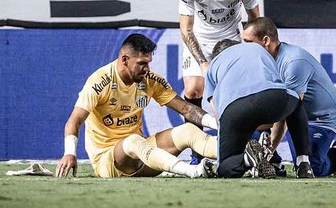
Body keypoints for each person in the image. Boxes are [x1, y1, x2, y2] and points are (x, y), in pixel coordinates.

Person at [55, 34, 218, 179]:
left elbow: (186, 109)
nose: (146, 69)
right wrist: (69, 153)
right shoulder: (99, 81)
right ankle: (193, 171)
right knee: (133, 141)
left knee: (188, 130)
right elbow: (74, 121)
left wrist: (218, 123)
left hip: (143, 156)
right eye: (141, 63)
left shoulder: (150, 79)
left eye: (148, 63)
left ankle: (240, 155)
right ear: (124, 59)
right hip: (109, 162)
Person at [178, 0, 260, 163]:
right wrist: (203, 63)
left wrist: (251, 51)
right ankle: (196, 152)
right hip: (199, 39)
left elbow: (255, 21)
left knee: (238, 91)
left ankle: (247, 148)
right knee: (193, 90)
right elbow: (186, 29)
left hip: (231, 37)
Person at [242, 17, 336, 177]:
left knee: (314, 168)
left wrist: (267, 151)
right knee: (248, 123)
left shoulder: (293, 62)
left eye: (248, 42)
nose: (243, 47)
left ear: (265, 41)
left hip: (322, 120)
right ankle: (274, 163)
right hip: (294, 116)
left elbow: (288, 112)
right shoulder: (261, 61)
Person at [204, 40, 314, 178]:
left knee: (225, 167)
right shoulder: (256, 48)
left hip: (234, 108)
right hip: (272, 96)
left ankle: (246, 159)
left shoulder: (213, 66)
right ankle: (303, 161)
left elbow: (217, 112)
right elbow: (276, 81)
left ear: (216, 56)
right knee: (297, 103)